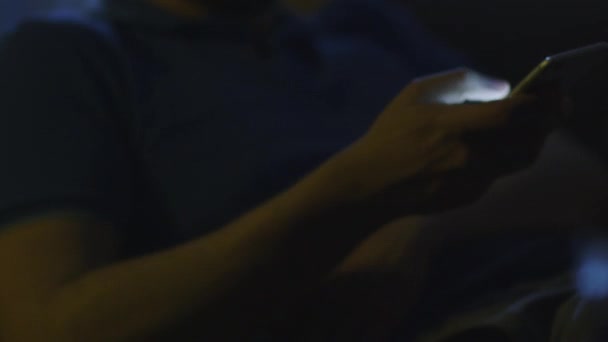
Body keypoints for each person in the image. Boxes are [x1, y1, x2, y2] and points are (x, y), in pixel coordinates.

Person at [0, 0, 576, 340]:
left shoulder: (353, 22)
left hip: (564, 289)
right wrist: (354, 194)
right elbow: (48, 324)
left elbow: (576, 169)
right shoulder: (67, 55)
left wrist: (414, 224)